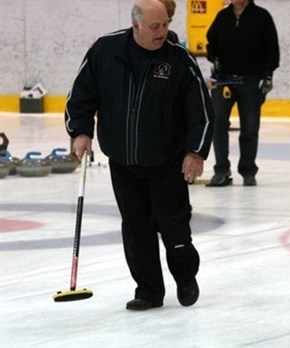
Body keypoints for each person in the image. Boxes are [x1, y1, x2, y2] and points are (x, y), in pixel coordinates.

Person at [65, 0, 215, 311]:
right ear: (136, 25)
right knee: (136, 229)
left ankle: (185, 277)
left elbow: (201, 111)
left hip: (166, 162)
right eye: (155, 27)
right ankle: (148, 291)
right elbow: (80, 96)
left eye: (165, 25)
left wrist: (195, 152)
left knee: (174, 228)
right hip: (123, 162)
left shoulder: (178, 59)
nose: (162, 32)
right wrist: (80, 132)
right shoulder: (105, 51)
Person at [205, 0, 280, 186]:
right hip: (224, 80)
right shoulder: (223, 16)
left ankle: (248, 171)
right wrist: (213, 58)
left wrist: (267, 75)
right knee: (218, 124)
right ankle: (221, 170)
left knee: (250, 128)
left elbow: (272, 49)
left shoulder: (262, 17)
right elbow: (211, 41)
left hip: (251, 80)